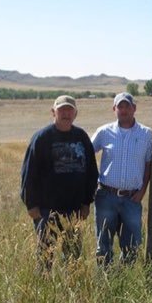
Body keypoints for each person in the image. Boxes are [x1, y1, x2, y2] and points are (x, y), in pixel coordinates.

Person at [20, 95, 99, 271]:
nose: (66, 113)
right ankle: (44, 291)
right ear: (53, 112)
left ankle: (70, 292)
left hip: (75, 211)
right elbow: (28, 173)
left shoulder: (82, 137)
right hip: (47, 211)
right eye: (62, 109)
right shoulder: (41, 138)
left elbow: (92, 172)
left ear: (75, 113)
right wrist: (31, 205)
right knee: (45, 258)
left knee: (73, 259)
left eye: (69, 110)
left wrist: (86, 202)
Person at [91, 92, 152, 266]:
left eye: (127, 106)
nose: (124, 110)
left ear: (134, 108)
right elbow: (87, 154)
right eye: (120, 106)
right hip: (106, 196)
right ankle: (105, 281)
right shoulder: (104, 132)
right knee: (103, 244)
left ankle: (125, 279)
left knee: (132, 245)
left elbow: (148, 165)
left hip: (132, 198)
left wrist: (142, 192)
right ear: (114, 109)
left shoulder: (147, 134)